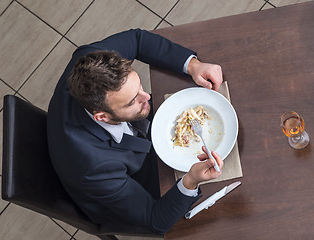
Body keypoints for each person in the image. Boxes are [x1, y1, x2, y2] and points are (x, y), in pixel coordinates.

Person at [47, 28, 224, 234]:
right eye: (133, 101)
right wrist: (190, 181)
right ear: (102, 116)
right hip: (130, 183)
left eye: (139, 86)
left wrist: (193, 65)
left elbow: (136, 39)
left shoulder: (91, 62)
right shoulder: (95, 168)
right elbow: (155, 220)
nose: (146, 97)